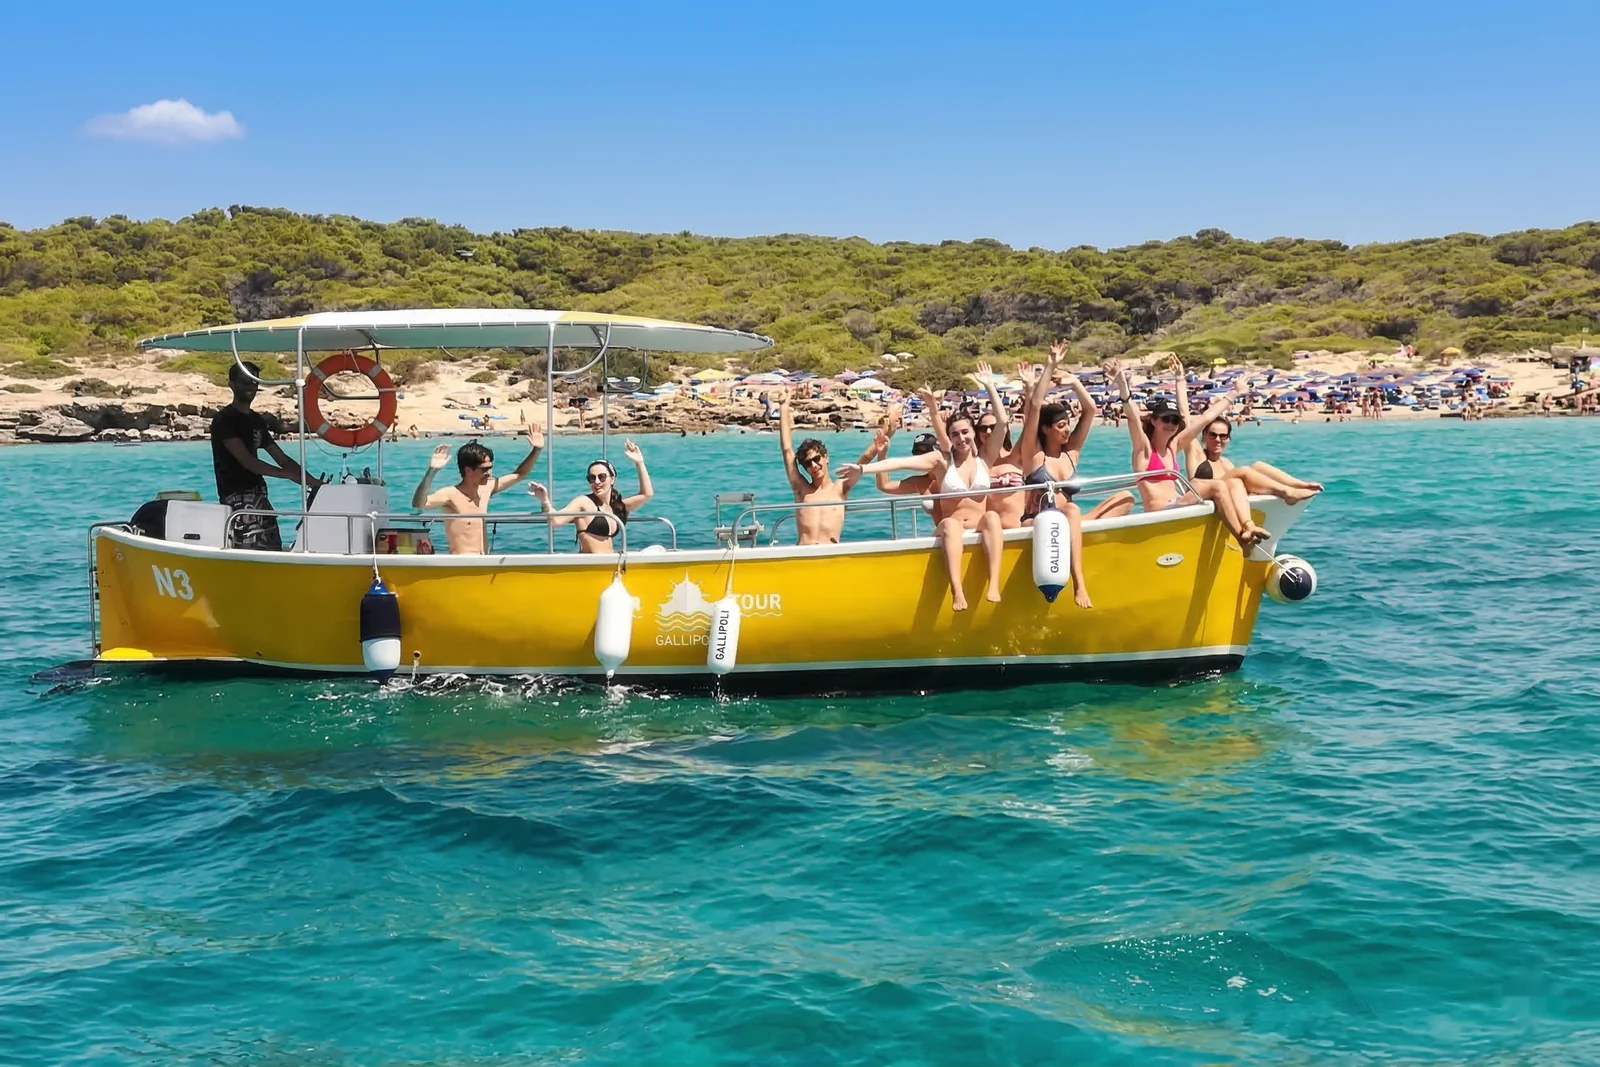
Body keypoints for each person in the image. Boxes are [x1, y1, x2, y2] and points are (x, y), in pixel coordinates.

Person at [840, 395, 1005, 611]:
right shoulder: (941, 461)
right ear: (949, 438)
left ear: (974, 432)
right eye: (954, 434)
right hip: (950, 528)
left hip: (978, 526)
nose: (961, 438)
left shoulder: (985, 459)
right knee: (951, 524)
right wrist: (863, 468)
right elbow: (900, 464)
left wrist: (990, 387)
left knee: (992, 517)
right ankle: (957, 591)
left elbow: (1002, 421)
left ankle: (993, 584)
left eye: (965, 432)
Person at [1112, 360, 1268, 546]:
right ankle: (1241, 538)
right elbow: (1132, 418)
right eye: (1166, 419)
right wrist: (1123, 385)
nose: (1171, 425)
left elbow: (1206, 418)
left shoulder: (1172, 446)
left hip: (1177, 503)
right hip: (1160, 511)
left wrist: (1234, 392)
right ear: (1154, 421)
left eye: (1175, 421)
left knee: (1229, 483)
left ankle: (1248, 526)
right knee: (1216, 486)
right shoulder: (1144, 450)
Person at [210, 361, 317, 550]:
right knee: (250, 550)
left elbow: (280, 457)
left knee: (273, 545)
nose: (250, 386)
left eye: (254, 381)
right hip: (237, 498)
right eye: (245, 381)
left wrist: (311, 481)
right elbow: (247, 461)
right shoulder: (223, 420)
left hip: (260, 496)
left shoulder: (256, 420)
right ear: (232, 385)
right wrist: (288, 475)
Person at [412, 424, 544, 554]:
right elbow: (418, 504)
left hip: (483, 561)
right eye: (485, 469)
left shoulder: (487, 488)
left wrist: (536, 450)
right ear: (468, 470)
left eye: (490, 468)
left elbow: (519, 474)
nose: (489, 473)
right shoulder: (450, 494)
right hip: (462, 562)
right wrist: (432, 471)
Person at [777, 389, 875, 545]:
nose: (814, 465)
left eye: (816, 459)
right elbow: (787, 450)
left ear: (826, 457)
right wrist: (784, 407)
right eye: (808, 463)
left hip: (830, 556)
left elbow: (864, 460)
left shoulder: (840, 488)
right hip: (803, 555)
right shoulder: (802, 490)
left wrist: (885, 436)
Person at [530, 439, 652, 553]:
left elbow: (646, 494)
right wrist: (545, 501)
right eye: (592, 478)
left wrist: (639, 463)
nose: (597, 482)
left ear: (612, 479)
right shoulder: (584, 502)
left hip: (610, 565)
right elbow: (555, 521)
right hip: (590, 567)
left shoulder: (617, 506)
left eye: (602, 477)